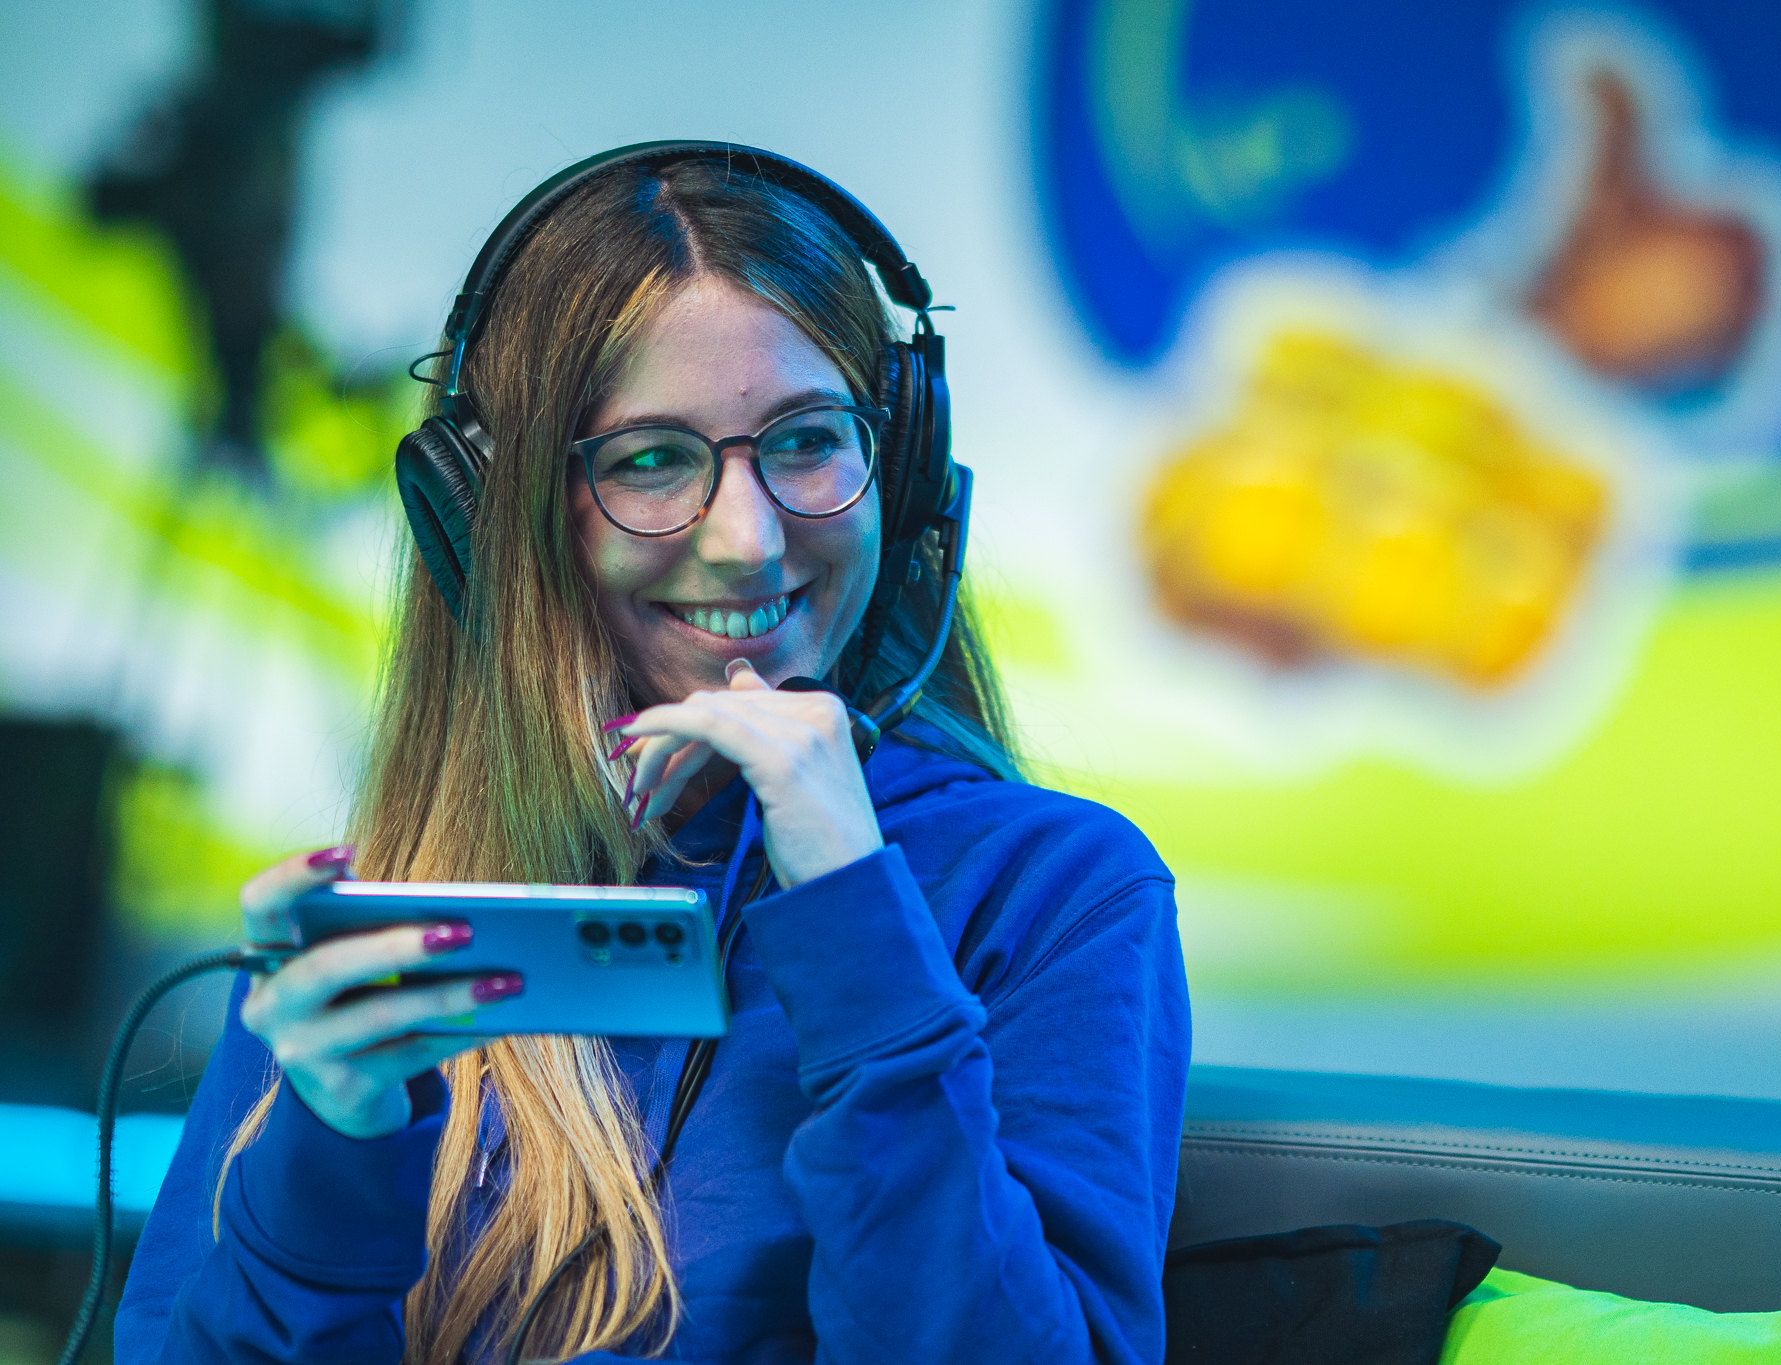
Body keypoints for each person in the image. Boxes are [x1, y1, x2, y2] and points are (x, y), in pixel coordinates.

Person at [113, 145, 1191, 1364]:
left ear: (898, 466)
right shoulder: (388, 937)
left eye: (807, 440)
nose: (746, 540)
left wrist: (852, 908)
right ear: (495, 516)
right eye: (648, 459)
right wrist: (331, 1154)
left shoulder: (1053, 888)